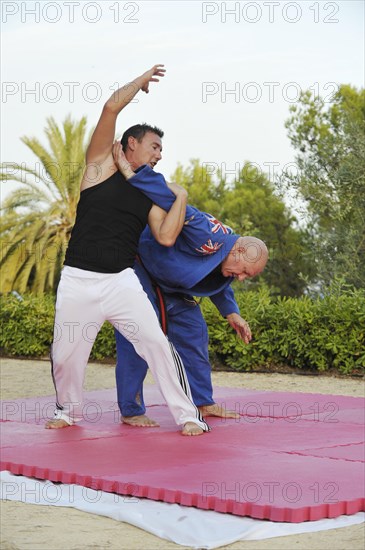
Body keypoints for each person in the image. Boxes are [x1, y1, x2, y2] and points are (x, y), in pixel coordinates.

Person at [45, 64, 210, 436]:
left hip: (121, 282)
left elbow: (167, 236)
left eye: (162, 150)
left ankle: (188, 416)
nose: (160, 155)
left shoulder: (147, 191)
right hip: (78, 279)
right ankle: (67, 411)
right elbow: (109, 110)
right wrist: (140, 82)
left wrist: (179, 195)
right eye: (155, 146)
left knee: (157, 344)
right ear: (129, 144)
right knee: (66, 355)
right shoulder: (99, 167)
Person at [112, 142, 268, 427]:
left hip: (172, 285)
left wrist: (232, 313)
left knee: (195, 331)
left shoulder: (228, 250)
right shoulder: (203, 230)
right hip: (140, 266)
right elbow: (166, 198)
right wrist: (133, 173)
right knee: (140, 333)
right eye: (245, 271)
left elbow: (218, 278)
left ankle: (203, 402)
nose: (242, 277)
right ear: (240, 251)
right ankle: (131, 410)